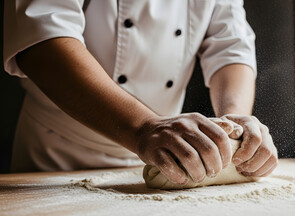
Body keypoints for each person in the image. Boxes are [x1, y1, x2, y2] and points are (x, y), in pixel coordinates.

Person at [3, 0, 278, 185]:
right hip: (59, 156)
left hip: (173, 153)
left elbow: (230, 46)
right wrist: (143, 127)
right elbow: (41, 40)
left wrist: (234, 122)